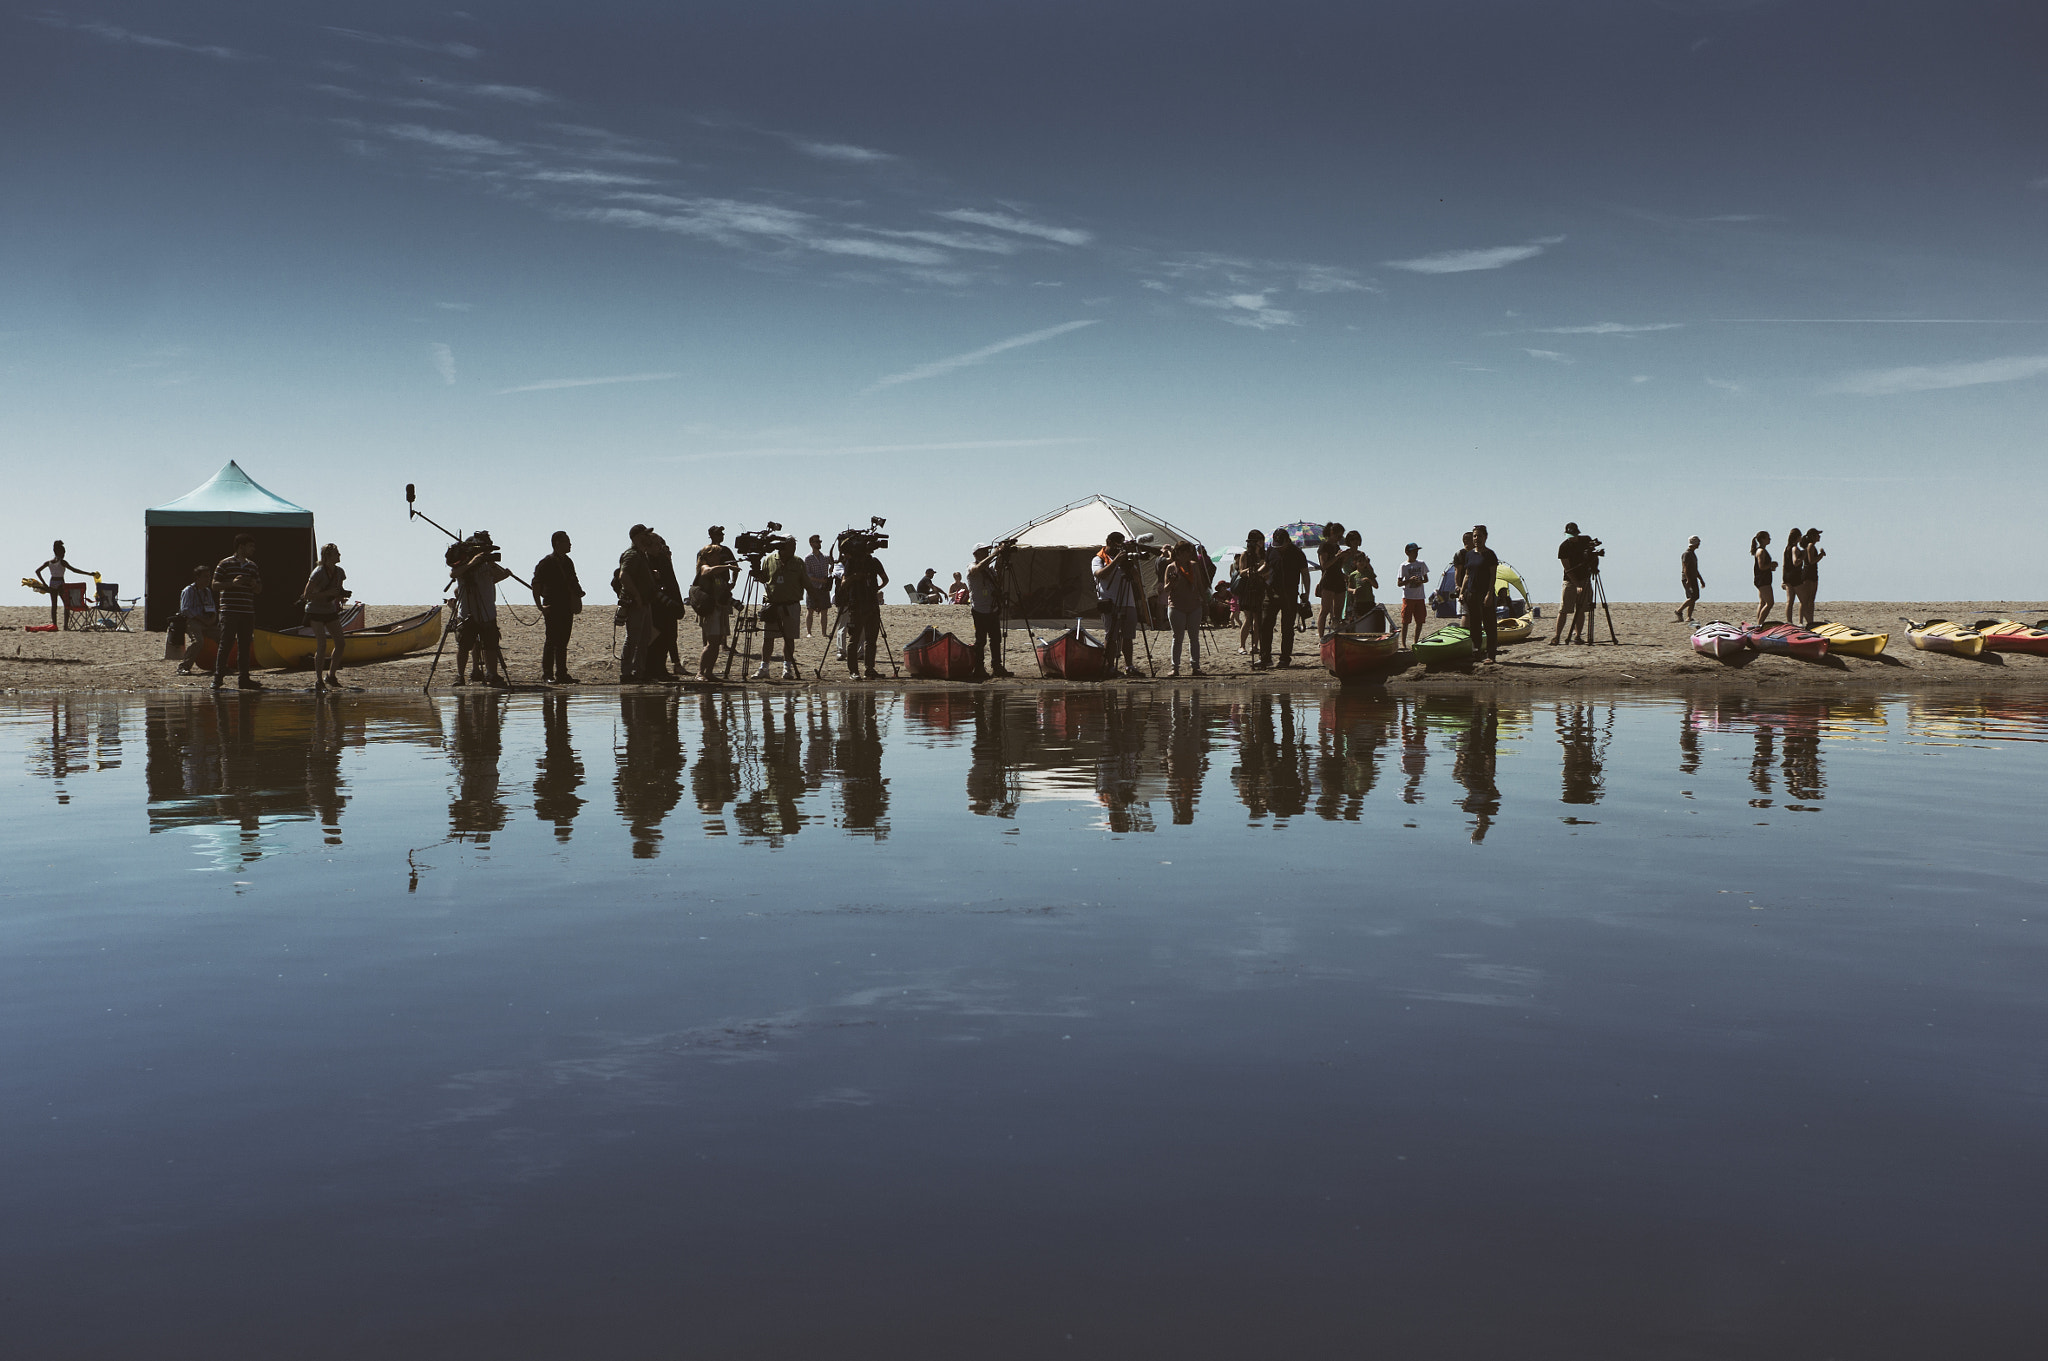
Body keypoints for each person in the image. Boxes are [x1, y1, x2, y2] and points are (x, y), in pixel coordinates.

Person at [450, 531, 512, 686]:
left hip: (487, 611)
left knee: (490, 644)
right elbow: (453, 573)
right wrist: (472, 563)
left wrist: (489, 563)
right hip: (468, 612)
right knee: (464, 645)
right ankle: (460, 675)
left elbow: (498, 575)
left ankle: (492, 674)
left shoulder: (487, 564)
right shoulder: (463, 563)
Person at [210, 533, 263, 690]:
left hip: (247, 611)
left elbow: (259, 589)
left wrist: (253, 584)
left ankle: (244, 679)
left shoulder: (252, 566)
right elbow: (214, 585)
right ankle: (218, 679)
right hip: (229, 610)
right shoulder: (225, 564)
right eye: (250, 546)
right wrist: (232, 584)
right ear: (241, 547)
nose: (253, 549)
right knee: (226, 643)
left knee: (245, 645)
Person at [531, 531, 584, 683]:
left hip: (567, 606)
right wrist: (540, 607)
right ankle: (547, 674)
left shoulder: (568, 562)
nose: (570, 544)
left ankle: (562, 673)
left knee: (563, 641)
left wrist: (578, 594)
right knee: (552, 640)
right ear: (557, 543)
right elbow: (536, 585)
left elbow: (574, 581)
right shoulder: (546, 563)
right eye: (567, 541)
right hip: (552, 606)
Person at [835, 529, 888, 678]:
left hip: (870, 604)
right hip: (857, 604)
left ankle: (868, 669)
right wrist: (856, 577)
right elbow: (844, 583)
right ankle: (854, 671)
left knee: (871, 638)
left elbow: (885, 579)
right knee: (855, 638)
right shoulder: (851, 563)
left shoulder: (872, 562)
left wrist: (873, 589)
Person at [751, 537, 806, 680]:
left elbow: (805, 582)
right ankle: (764, 668)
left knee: (789, 638)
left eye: (795, 545)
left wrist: (816, 597)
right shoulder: (769, 559)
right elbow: (763, 578)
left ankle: (787, 669)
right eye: (791, 545)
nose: (794, 548)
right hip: (772, 605)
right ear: (782, 547)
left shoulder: (798, 562)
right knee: (768, 637)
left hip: (791, 604)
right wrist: (757, 572)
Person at [1092, 532, 1144, 677]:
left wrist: (1129, 563)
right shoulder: (1098, 559)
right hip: (1109, 601)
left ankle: (1129, 666)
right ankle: (1109, 667)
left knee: (1128, 636)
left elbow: (1136, 577)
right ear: (1108, 541)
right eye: (1116, 544)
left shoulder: (1124, 559)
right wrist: (1116, 561)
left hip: (1128, 600)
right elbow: (1100, 574)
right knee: (1111, 636)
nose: (1118, 548)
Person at [300, 543, 351, 689]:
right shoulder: (318, 572)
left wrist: (342, 595)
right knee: (322, 644)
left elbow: (338, 589)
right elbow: (306, 595)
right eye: (336, 553)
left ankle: (331, 675)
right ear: (327, 556)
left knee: (340, 643)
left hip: (329, 610)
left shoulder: (340, 572)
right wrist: (327, 594)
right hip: (315, 611)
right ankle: (318, 680)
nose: (339, 556)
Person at [693, 525, 740, 679]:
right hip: (709, 609)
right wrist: (727, 566)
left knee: (716, 642)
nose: (719, 558)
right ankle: (700, 672)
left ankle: (709, 672)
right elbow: (707, 571)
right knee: (711, 642)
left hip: (719, 606)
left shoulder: (719, 572)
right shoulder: (705, 567)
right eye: (716, 556)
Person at [616, 525, 657, 683]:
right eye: (646, 534)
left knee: (644, 638)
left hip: (644, 603)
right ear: (638, 537)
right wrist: (637, 596)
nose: (649, 537)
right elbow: (623, 576)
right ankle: (626, 673)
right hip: (635, 603)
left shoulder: (641, 555)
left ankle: (639, 672)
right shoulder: (632, 555)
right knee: (633, 638)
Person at [1160, 540, 1207, 677]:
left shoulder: (1194, 566)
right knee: (1178, 637)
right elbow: (1166, 589)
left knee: (1194, 637)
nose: (1189, 555)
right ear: (1179, 553)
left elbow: (1199, 584)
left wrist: (1205, 602)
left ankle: (1196, 667)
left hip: (1194, 605)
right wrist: (1172, 582)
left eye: (1190, 552)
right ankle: (1175, 668)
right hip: (1177, 606)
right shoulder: (1171, 567)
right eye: (1186, 552)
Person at [1455, 524, 1500, 662]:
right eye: (1474, 536)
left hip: (1485, 594)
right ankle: (1477, 651)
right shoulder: (1469, 555)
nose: (1476, 539)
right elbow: (1467, 575)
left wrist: (1489, 594)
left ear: (1485, 537)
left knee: (1489, 625)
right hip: (1471, 593)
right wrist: (1462, 593)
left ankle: (1491, 655)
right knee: (1474, 624)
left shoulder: (1490, 555)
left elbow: (1493, 576)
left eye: (1479, 536)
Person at [645, 530, 684, 681]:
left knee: (669, 637)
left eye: (660, 544)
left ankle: (661, 669)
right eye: (656, 545)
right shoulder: (645, 560)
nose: (659, 547)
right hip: (657, 606)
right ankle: (653, 670)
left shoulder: (663, 560)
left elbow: (671, 582)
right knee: (656, 639)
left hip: (670, 604)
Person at [1266, 528, 1309, 667]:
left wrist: (1306, 593)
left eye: (1281, 545)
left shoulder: (1297, 553)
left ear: (1288, 541)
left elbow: (1305, 574)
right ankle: (1266, 656)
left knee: (1287, 628)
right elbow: (1266, 568)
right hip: (1272, 593)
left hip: (1290, 594)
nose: (1279, 548)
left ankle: (1285, 658)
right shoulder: (1271, 551)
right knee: (1266, 624)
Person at [1550, 522, 1596, 646]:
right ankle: (1557, 636)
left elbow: (1592, 556)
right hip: (1570, 581)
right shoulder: (1564, 547)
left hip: (1585, 578)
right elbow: (1567, 569)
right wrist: (1577, 585)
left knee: (1580, 609)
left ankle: (1577, 636)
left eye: (1574, 535)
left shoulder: (1586, 540)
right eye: (1570, 535)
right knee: (1564, 609)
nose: (1573, 537)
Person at [34, 540, 95, 630]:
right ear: (61, 553)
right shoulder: (62, 562)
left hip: (52, 583)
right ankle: (65, 626)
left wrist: (44, 584)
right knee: (66, 604)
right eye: (64, 553)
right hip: (61, 584)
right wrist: (89, 574)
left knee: (54, 606)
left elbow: (37, 571)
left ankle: (54, 625)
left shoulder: (49, 562)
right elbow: (74, 570)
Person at [174, 563, 216, 675]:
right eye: (205, 576)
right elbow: (185, 610)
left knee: (224, 637)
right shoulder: (188, 591)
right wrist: (202, 619)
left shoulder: (207, 591)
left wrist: (212, 619)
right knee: (198, 642)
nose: (208, 579)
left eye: (209, 576)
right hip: (192, 621)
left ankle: (219, 665)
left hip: (207, 621)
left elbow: (212, 608)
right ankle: (184, 666)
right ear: (197, 578)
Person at [1235, 532, 1268, 661]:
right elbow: (1241, 572)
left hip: (1260, 587)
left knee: (1258, 619)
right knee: (1248, 618)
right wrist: (1253, 570)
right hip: (1248, 589)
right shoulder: (1246, 555)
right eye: (1260, 541)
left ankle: (1255, 645)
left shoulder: (1264, 554)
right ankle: (1242, 645)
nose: (1261, 543)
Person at [1337, 530, 1376, 625]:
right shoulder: (1346, 554)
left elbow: (1371, 571)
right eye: (1352, 539)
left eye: (1357, 539)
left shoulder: (1361, 554)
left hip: (1361, 584)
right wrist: (1344, 576)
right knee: (1350, 609)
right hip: (1350, 583)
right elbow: (1338, 569)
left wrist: (1367, 563)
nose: (1355, 542)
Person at [1314, 520, 1346, 636]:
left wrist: (1343, 558)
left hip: (1338, 579)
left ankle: (1335, 633)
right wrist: (1337, 557)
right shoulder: (1324, 546)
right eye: (1338, 535)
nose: (1339, 538)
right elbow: (1325, 565)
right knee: (1325, 610)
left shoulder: (1337, 546)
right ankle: (1321, 637)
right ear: (1332, 533)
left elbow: (1338, 566)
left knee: (1338, 611)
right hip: (1328, 580)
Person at [1395, 543, 1430, 648]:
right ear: (1407, 553)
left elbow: (1426, 579)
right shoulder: (1404, 566)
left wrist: (1420, 581)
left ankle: (1416, 641)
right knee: (1405, 621)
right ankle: (1404, 644)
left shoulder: (1421, 564)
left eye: (1417, 552)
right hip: (1408, 596)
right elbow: (1399, 583)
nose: (1416, 554)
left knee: (1420, 621)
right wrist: (1409, 580)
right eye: (1414, 551)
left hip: (1419, 597)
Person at [803, 534, 833, 638]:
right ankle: (809, 632)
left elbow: (834, 563)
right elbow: (807, 575)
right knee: (810, 610)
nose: (818, 543)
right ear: (811, 544)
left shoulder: (825, 557)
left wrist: (831, 570)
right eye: (816, 542)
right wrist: (820, 580)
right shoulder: (808, 558)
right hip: (812, 588)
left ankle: (824, 633)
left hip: (824, 588)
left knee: (824, 611)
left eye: (819, 542)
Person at [1797, 528, 1824, 626]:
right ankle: (1801, 621)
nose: (1819, 536)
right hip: (1808, 573)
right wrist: (1821, 555)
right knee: (1805, 599)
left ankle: (1810, 620)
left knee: (1811, 599)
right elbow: (1811, 560)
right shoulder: (1810, 546)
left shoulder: (1812, 546)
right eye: (1817, 535)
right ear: (1813, 536)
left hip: (1813, 573)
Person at [1675, 536, 1704, 622]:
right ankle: (1679, 610)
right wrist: (1688, 580)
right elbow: (1685, 568)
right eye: (1698, 543)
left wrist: (1701, 579)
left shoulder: (1693, 554)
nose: (1699, 545)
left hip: (1693, 578)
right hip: (1688, 578)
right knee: (1692, 597)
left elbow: (1695, 569)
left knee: (1694, 598)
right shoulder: (1687, 554)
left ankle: (1689, 617)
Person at [1750, 530, 1776, 626]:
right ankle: (1760, 623)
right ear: (1762, 539)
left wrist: (1770, 567)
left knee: (1762, 602)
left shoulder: (1762, 550)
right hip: (1762, 580)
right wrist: (1771, 565)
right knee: (1770, 603)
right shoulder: (1761, 551)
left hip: (1762, 578)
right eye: (1767, 537)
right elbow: (1761, 566)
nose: (1769, 539)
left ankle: (1758, 623)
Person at [1781, 527, 1804, 625]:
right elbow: (1796, 562)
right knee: (1803, 600)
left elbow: (1784, 564)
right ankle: (1800, 621)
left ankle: (1789, 621)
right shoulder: (1794, 548)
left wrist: (1783, 579)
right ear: (1798, 537)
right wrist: (1803, 556)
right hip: (1795, 577)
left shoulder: (1787, 548)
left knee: (1789, 601)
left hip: (1787, 576)